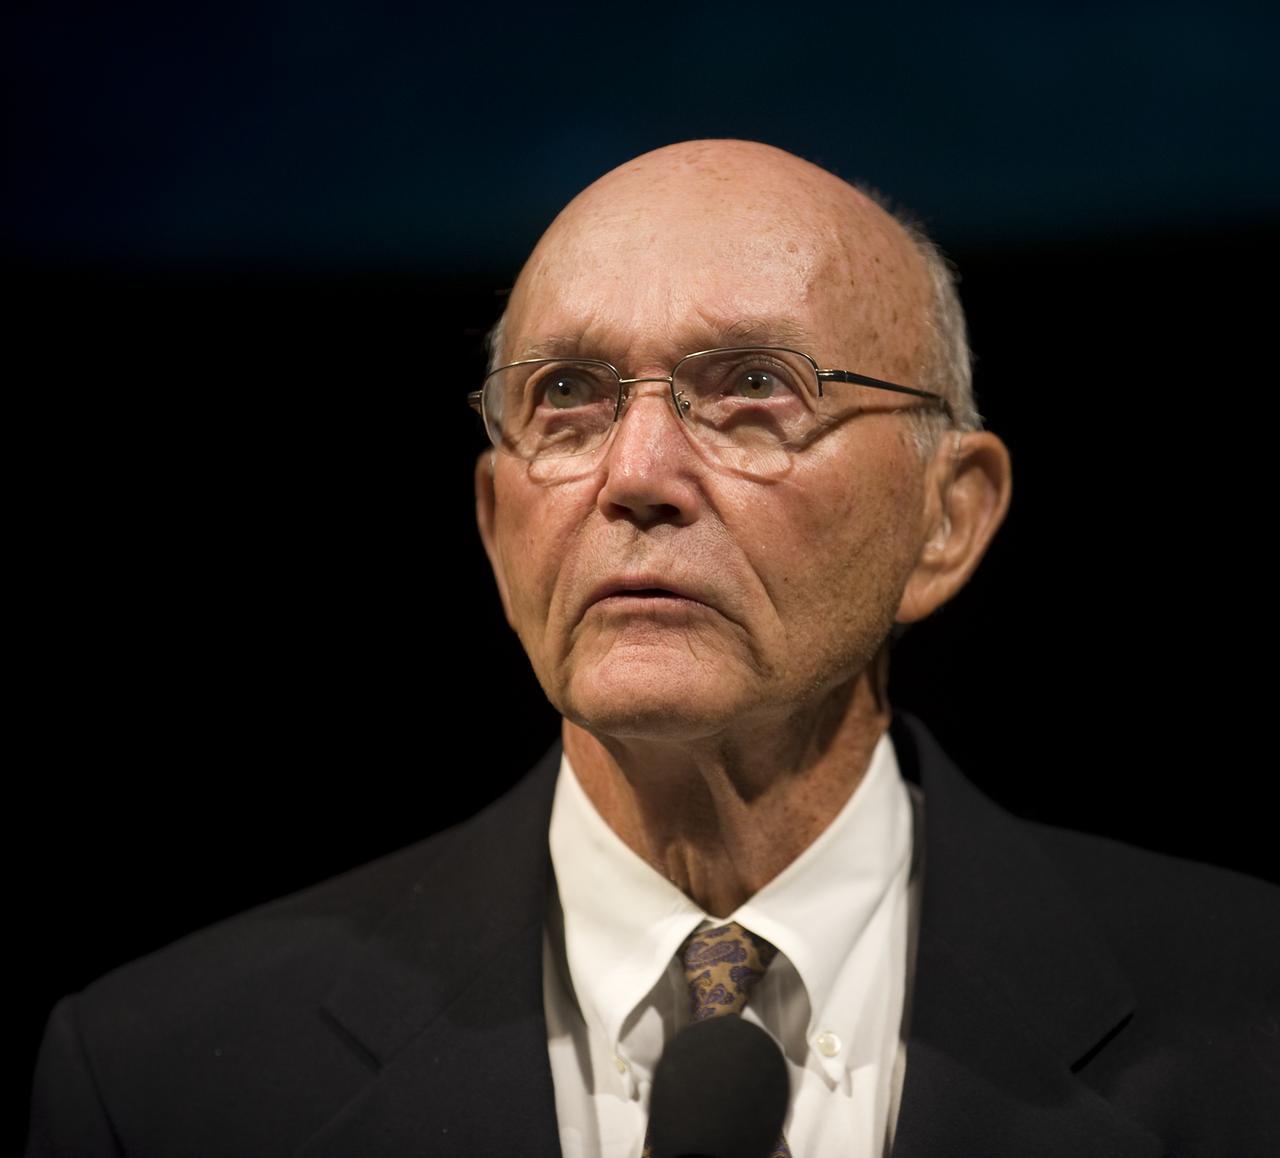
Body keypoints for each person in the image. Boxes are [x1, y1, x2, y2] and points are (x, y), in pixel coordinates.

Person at [27, 141, 1278, 1157]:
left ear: (944, 521)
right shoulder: (160, 1079)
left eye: (749, 390)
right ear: (493, 522)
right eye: (564, 396)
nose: (634, 476)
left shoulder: (1248, 1028)